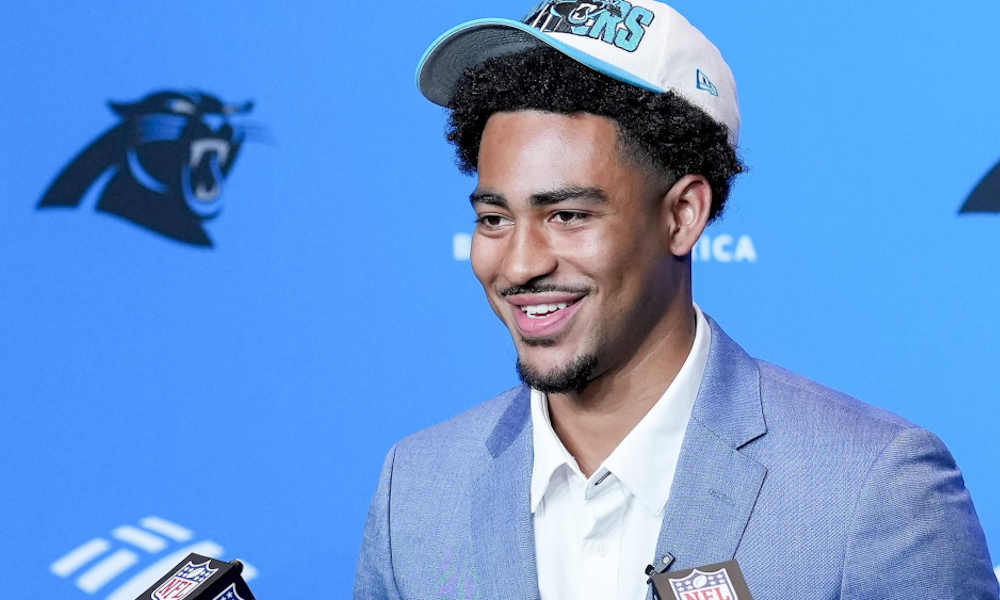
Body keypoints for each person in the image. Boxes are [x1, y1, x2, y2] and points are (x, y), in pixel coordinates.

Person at [355, 1, 998, 598]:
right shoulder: (414, 489)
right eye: (495, 219)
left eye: (569, 215)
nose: (520, 264)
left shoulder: (872, 490)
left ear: (684, 214)